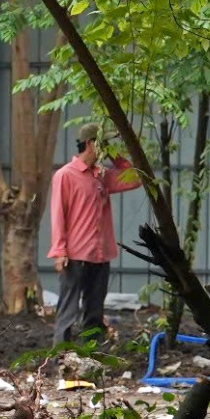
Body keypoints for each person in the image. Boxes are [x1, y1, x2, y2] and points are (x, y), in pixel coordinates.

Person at [48, 132, 139, 343]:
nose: (104, 149)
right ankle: (60, 358)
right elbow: (58, 215)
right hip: (76, 255)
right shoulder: (65, 175)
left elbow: (134, 178)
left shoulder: (102, 175)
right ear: (89, 144)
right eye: (102, 144)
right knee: (68, 310)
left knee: (94, 312)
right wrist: (59, 251)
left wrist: (114, 153)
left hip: (101, 255)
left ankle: (90, 358)